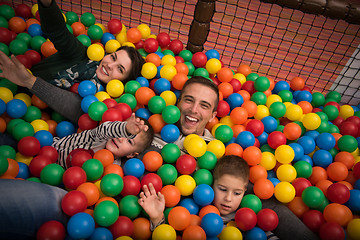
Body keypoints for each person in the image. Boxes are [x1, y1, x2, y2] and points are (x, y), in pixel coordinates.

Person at [0, 0, 145, 124]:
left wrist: (30, 81)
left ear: (124, 82)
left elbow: (78, 108)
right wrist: (47, 3)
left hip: (29, 122)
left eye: (120, 69)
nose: (109, 65)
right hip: (9, 85)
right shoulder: (81, 56)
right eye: (112, 57)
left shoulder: (106, 104)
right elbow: (58, 31)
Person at [53, 113, 154, 169]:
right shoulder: (99, 138)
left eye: (129, 141)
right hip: (52, 148)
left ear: (131, 155)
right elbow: (105, 129)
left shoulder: (114, 168)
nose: (120, 138)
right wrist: (126, 130)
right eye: (121, 134)